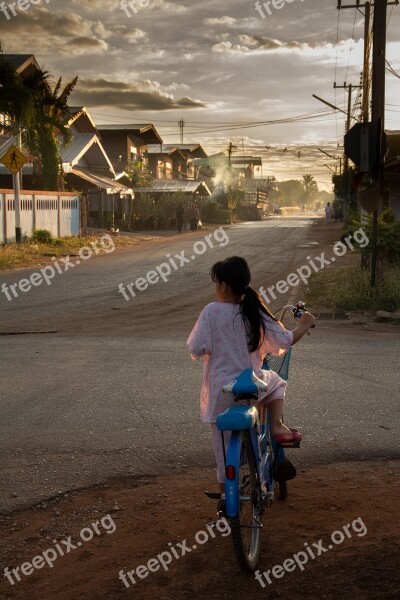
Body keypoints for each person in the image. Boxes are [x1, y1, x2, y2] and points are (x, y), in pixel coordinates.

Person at [186, 256, 316, 489]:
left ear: (223, 286)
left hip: (221, 393)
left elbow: (196, 348)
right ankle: (276, 425)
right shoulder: (255, 310)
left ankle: (227, 499)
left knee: (223, 452)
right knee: (276, 382)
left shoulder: (211, 312)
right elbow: (284, 340)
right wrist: (305, 324)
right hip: (254, 387)